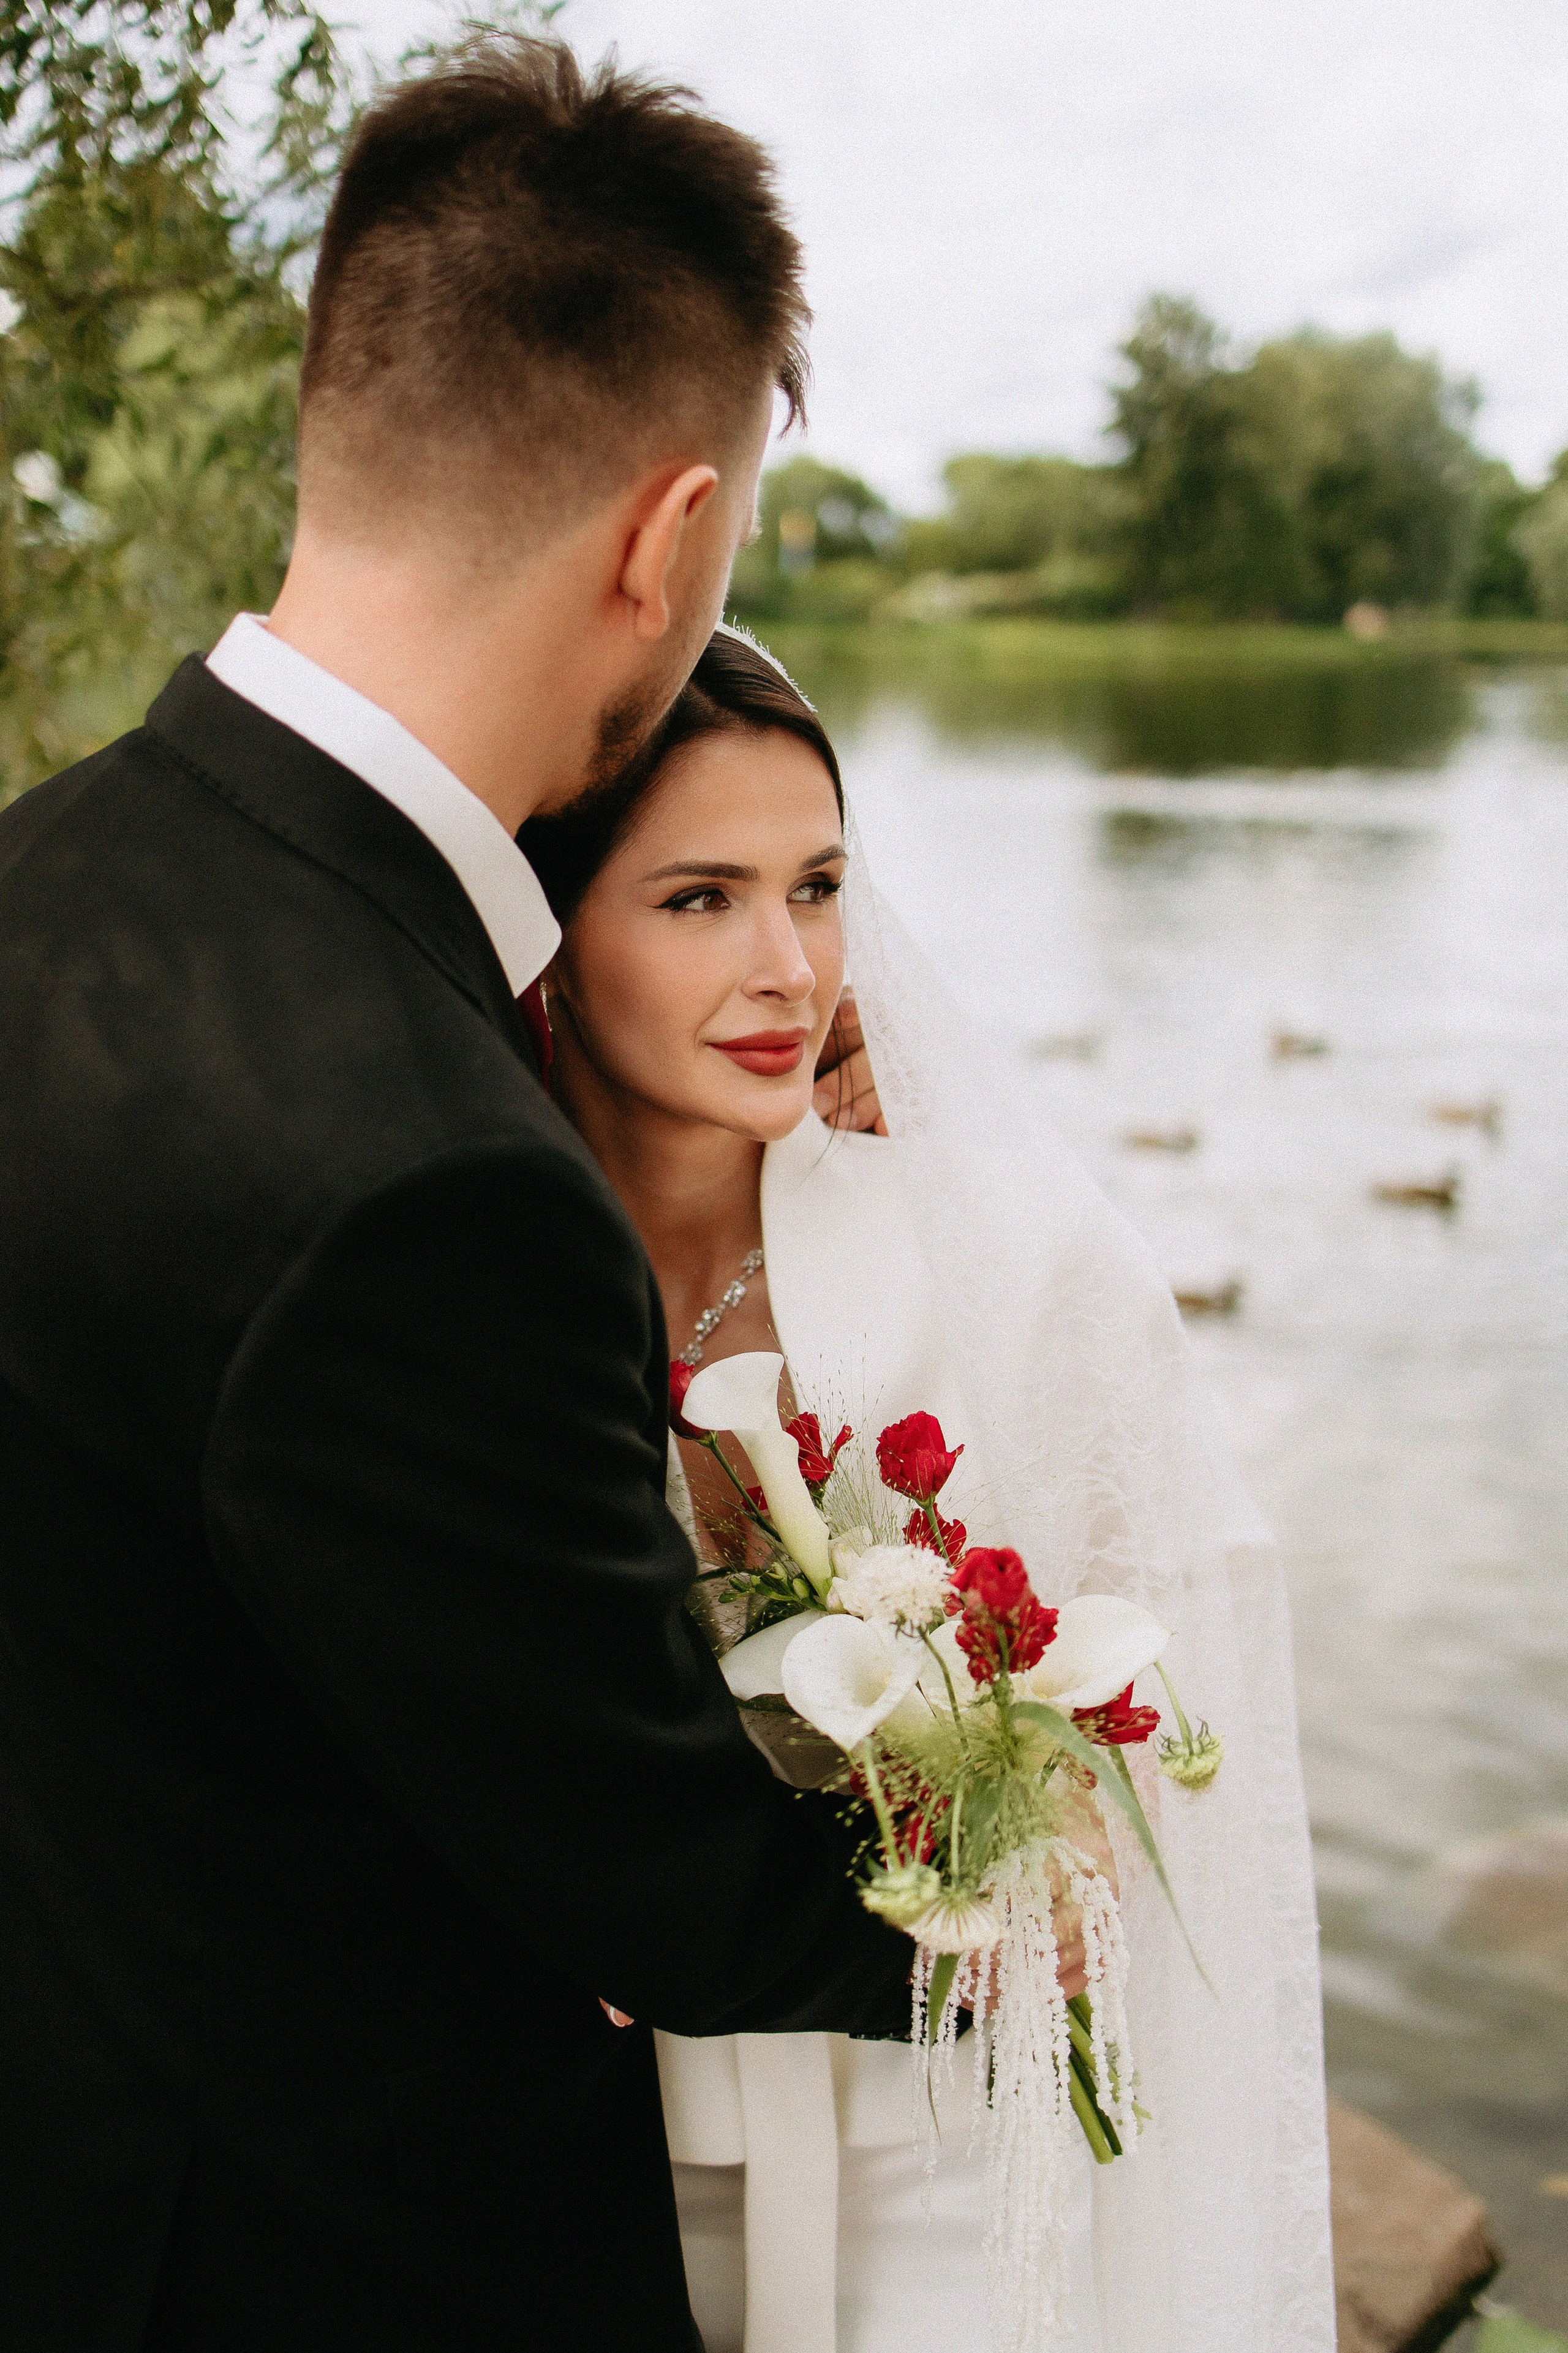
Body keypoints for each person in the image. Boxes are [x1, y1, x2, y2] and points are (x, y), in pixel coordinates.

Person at [0, 40, 924, 2353]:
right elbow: (689, 1889)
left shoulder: (42, 877)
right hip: (331, 2260)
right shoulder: (436, 1178)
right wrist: (1054, 1869)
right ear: (669, 536)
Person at [522, 627, 1339, 2353]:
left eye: (817, 885)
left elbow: (1185, 1680)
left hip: (941, 2136)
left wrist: (993, 1806)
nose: (788, 966)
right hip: (571, 2137)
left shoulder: (995, 1263)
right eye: (699, 898)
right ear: (548, 931)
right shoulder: (467, 1279)